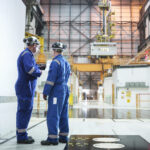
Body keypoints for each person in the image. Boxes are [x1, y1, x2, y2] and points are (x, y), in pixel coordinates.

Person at [41, 42, 71, 145]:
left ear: (54, 50)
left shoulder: (55, 62)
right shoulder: (66, 62)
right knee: (63, 113)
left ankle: (52, 138)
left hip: (56, 91)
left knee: (53, 114)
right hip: (65, 89)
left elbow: (51, 80)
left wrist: (45, 92)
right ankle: (63, 136)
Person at [15, 36, 42, 144]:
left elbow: (31, 67)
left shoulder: (27, 54)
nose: (37, 48)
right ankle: (22, 137)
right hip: (25, 87)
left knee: (24, 111)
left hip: (26, 86)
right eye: (37, 46)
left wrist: (37, 68)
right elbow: (30, 69)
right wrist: (39, 72)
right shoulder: (27, 54)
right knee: (24, 111)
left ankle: (22, 134)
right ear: (34, 45)